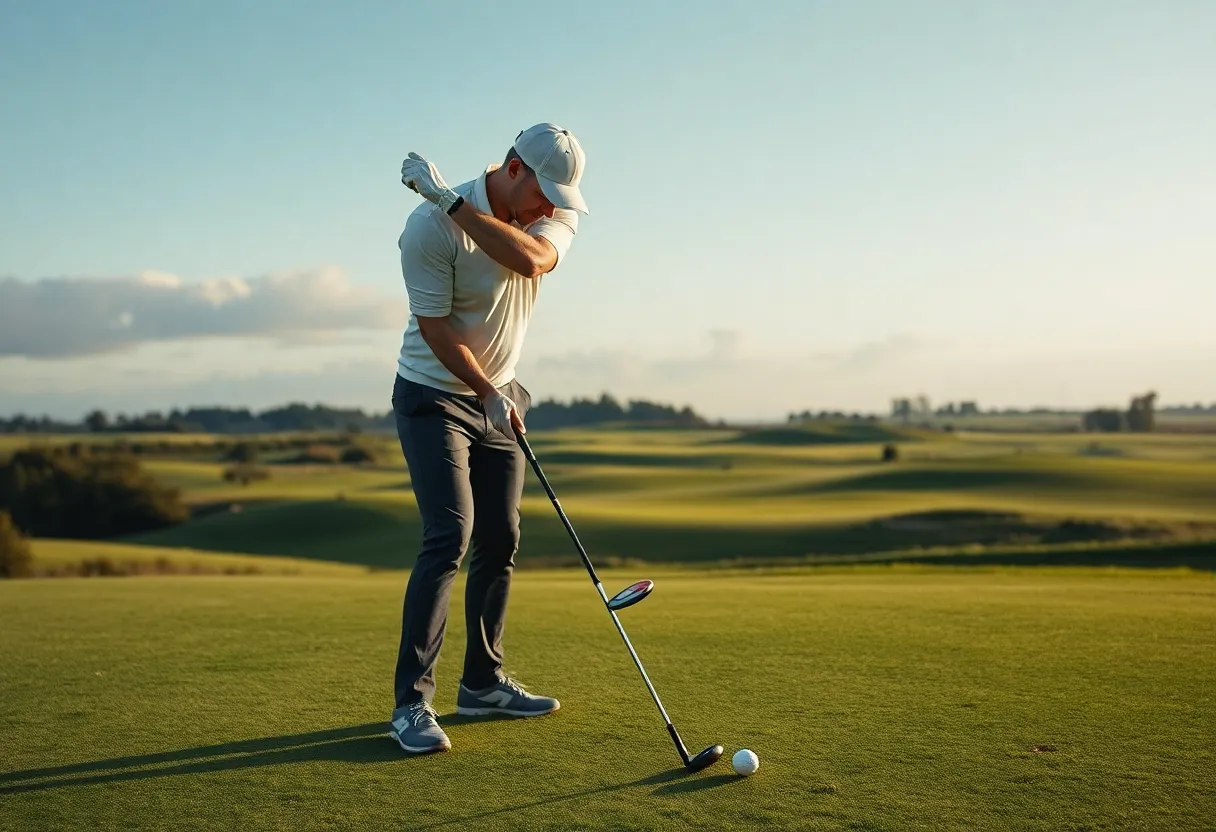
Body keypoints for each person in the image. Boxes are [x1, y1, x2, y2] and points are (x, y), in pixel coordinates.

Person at [387, 123, 589, 754]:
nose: (551, 209)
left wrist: (449, 199)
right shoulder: (425, 231)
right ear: (512, 168)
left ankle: (482, 684)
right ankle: (411, 705)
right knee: (451, 534)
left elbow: (530, 259)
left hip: (499, 395)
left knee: (502, 537)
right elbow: (437, 328)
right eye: (543, 192)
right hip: (433, 395)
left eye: (560, 198)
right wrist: (484, 392)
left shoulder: (544, 219)